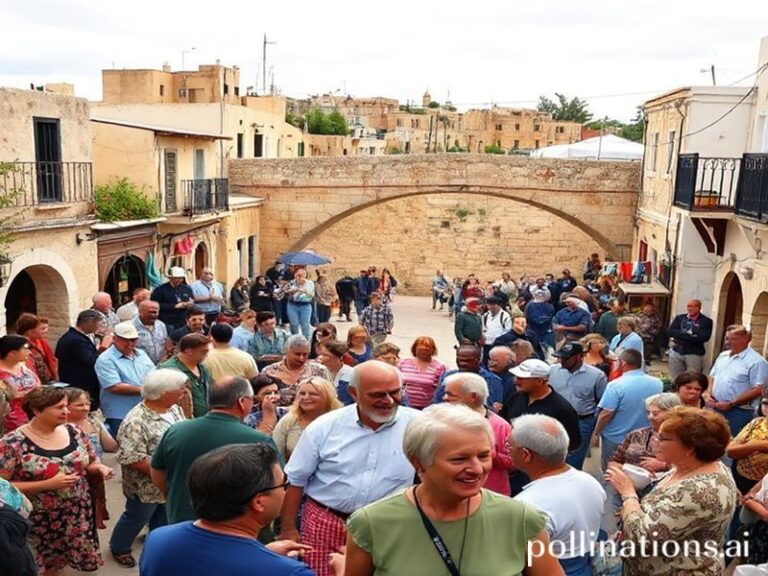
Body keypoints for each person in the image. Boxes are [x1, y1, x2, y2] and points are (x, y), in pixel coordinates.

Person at [342, 403, 563, 576]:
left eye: (484, 456)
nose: (477, 469)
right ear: (418, 462)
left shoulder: (522, 520)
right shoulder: (370, 524)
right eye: (459, 459)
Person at [279, 361, 421, 576]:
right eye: (378, 395)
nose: (389, 401)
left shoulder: (419, 426)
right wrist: (289, 530)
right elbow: (296, 480)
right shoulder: (324, 427)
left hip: (389, 526)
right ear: (354, 392)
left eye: (395, 392)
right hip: (325, 524)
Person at [140, 443, 315, 576]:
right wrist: (342, 567)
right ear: (259, 502)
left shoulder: (158, 539)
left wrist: (264, 554)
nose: (285, 491)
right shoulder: (289, 572)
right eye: (283, 484)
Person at [605, 407, 737, 576]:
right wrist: (631, 512)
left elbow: (644, 538)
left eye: (662, 438)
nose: (654, 442)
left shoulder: (699, 491)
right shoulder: (684, 466)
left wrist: (628, 494)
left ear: (690, 448)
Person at [0, 386, 113, 574]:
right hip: (39, 520)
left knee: (63, 559)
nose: (66, 411)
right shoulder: (13, 442)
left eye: (66, 406)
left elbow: (90, 461)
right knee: (41, 564)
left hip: (76, 513)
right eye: (59, 407)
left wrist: (99, 467)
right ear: (36, 411)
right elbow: (3, 487)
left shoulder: (74, 431)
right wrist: (46, 485)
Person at [150, 376, 279, 524]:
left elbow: (157, 471)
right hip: (237, 527)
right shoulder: (258, 440)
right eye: (252, 399)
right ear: (242, 402)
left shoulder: (176, 430)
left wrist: (175, 497)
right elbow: (277, 482)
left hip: (182, 520)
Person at [109, 369, 187, 567]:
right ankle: (120, 546)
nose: (184, 392)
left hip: (169, 480)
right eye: (180, 389)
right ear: (164, 393)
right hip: (146, 485)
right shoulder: (136, 421)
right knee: (137, 515)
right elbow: (132, 457)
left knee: (164, 514)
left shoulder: (173, 408)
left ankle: (155, 539)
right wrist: (164, 474)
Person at [512, 414, 606, 576]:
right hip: (588, 561)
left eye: (508, 446)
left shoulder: (526, 505)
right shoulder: (590, 482)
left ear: (526, 454)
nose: (506, 450)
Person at [503, 358, 581, 494]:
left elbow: (573, 443)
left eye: (522, 378)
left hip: (542, 473)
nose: (516, 380)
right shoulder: (515, 398)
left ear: (540, 381)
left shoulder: (561, 408)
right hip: (515, 469)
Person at [442, 372, 513, 495]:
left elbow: (514, 463)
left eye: (450, 394)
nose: (444, 398)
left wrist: (489, 453)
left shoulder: (499, 426)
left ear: (473, 396)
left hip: (489, 498)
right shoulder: (441, 421)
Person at [595, 348, 663, 470]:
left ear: (623, 363)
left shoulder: (615, 385)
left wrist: (597, 431)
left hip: (616, 437)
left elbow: (607, 412)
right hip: (644, 439)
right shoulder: (657, 383)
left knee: (611, 471)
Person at [549, 342, 608, 470]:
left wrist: (596, 430)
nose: (561, 361)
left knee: (574, 459)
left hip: (581, 422)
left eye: (566, 358)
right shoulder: (552, 371)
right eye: (560, 357)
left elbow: (602, 402)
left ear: (578, 357)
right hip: (555, 420)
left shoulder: (597, 376)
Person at [66, 387, 117, 530]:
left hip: (96, 474)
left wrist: (102, 429)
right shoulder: (63, 427)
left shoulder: (93, 422)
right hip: (77, 476)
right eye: (79, 405)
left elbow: (111, 446)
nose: (85, 408)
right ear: (66, 406)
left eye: (87, 404)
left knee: (96, 507)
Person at [94, 321, 156, 436]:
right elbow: (114, 387)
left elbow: (154, 374)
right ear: (115, 338)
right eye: (125, 339)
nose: (130, 343)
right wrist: (146, 390)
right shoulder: (106, 359)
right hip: (120, 414)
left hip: (146, 410)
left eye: (133, 340)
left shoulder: (141, 354)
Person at [706, 324, 768, 437]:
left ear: (746, 340)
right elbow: (712, 377)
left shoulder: (756, 362)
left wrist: (731, 403)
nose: (727, 342)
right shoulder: (722, 356)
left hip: (738, 411)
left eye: (733, 339)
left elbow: (758, 389)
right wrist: (708, 394)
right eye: (727, 338)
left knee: (730, 442)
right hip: (714, 407)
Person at [272, 377, 342, 461]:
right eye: (302, 393)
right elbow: (277, 455)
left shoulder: (340, 421)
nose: (306, 397)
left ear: (327, 397)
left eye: (313, 394)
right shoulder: (289, 421)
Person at [610, 392, 681, 473]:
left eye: (655, 414)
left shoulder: (683, 438)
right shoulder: (636, 434)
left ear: (671, 413)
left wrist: (664, 465)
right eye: (648, 412)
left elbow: (693, 466)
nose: (650, 417)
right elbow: (615, 461)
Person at [55, 309, 106, 408]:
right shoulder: (76, 340)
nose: (98, 328)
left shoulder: (75, 337)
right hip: (79, 384)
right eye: (97, 325)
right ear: (90, 323)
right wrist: (103, 348)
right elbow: (92, 361)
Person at [262, 335, 331, 406]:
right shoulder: (269, 372)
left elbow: (329, 397)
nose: (301, 358)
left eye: (305, 354)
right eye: (297, 354)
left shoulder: (320, 371)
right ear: (286, 351)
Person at [434, 345, 504, 410]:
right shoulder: (448, 375)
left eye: (468, 360)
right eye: (460, 360)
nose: (462, 363)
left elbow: (492, 409)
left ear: (478, 360)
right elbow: (437, 401)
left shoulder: (492, 380)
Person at [159, 333, 212, 418]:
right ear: (188, 351)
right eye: (203, 352)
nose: (206, 355)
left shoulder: (202, 368)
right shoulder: (169, 370)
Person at [0, 336, 41, 433]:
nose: (29, 352)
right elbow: (9, 396)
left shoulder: (23, 365)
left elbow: (37, 382)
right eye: (25, 349)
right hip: (12, 421)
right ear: (12, 353)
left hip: (34, 414)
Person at [667, 299, 713, 380]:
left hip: (694, 352)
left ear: (699, 308)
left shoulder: (706, 321)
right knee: (675, 377)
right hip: (677, 350)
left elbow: (703, 337)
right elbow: (670, 332)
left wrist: (680, 335)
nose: (690, 308)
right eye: (688, 306)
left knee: (693, 377)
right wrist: (689, 335)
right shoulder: (679, 318)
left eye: (693, 306)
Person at [398, 337, 446, 410]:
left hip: (426, 409)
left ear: (433, 350)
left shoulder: (439, 367)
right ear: (414, 349)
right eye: (420, 349)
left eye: (427, 349)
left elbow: (440, 389)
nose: (423, 351)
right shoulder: (403, 363)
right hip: (403, 407)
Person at [150, 266, 195, 332]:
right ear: (170, 278)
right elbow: (154, 304)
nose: (180, 280)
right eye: (177, 278)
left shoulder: (187, 289)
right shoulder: (160, 290)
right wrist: (174, 306)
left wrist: (190, 304)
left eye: (181, 278)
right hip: (167, 321)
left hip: (183, 320)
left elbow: (191, 299)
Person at [15, 313, 57, 384]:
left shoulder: (41, 342)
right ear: (29, 331)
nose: (46, 331)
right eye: (42, 329)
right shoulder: (21, 347)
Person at [132, 299, 171, 365]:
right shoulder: (131, 327)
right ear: (140, 311)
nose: (153, 315)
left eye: (155, 312)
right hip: (140, 366)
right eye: (150, 312)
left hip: (160, 365)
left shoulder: (161, 325)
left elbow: (165, 345)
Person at [317, 340, 355, 405]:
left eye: (325, 355)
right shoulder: (318, 371)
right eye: (321, 354)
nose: (320, 358)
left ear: (339, 357)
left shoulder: (351, 374)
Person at [285, 268, 315, 338]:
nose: (300, 276)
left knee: (305, 324)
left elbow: (311, 295)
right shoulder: (292, 282)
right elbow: (285, 292)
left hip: (305, 305)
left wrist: (302, 289)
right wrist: (291, 291)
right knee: (293, 323)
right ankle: (294, 339)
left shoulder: (309, 283)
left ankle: (306, 340)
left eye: (303, 274)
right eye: (299, 274)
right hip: (293, 305)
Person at [525, 289, 555, 357]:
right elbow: (528, 317)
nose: (540, 296)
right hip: (532, 331)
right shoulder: (530, 306)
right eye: (538, 295)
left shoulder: (550, 306)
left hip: (546, 332)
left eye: (542, 295)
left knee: (549, 352)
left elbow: (550, 317)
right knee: (535, 351)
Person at [482, 296, 512, 361]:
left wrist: (498, 340)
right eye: (488, 306)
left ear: (497, 305)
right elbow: (483, 328)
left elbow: (507, 331)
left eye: (492, 306)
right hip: (486, 344)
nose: (490, 308)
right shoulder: (486, 315)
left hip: (499, 346)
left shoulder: (505, 316)